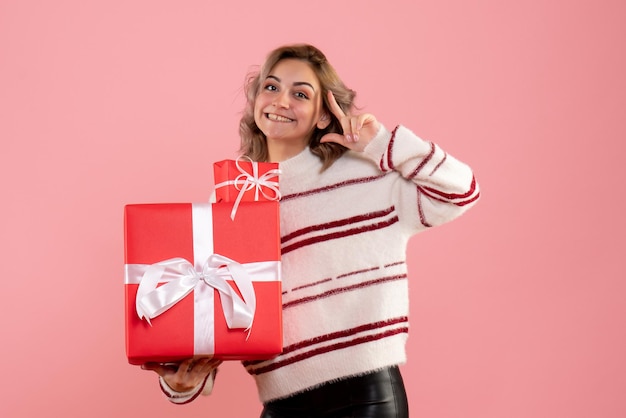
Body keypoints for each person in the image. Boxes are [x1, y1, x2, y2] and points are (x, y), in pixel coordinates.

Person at [142, 43, 480, 417]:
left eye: (300, 94)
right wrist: (183, 382)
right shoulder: (233, 194)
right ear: (256, 101)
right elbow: (216, 310)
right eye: (271, 87)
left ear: (323, 115)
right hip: (282, 401)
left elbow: (460, 192)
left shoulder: (366, 174)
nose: (281, 100)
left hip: (366, 395)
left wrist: (383, 144)